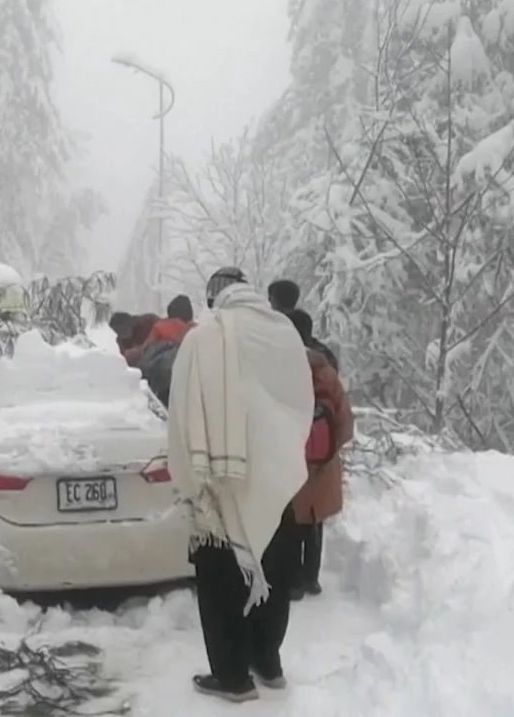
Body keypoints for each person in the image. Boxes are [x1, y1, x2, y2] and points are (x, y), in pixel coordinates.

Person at [167, 267, 314, 702]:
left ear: (214, 299)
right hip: (278, 478)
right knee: (274, 568)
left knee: (220, 582)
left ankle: (232, 676)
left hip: (221, 484)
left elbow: (182, 413)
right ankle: (268, 663)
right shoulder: (284, 333)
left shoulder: (203, 339)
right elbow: (299, 401)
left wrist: (190, 474)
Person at [285, 309, 354, 599]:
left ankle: (291, 581)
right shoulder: (326, 372)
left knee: (289, 523)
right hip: (323, 462)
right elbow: (346, 423)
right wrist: (328, 450)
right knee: (315, 521)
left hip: (289, 460)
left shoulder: (280, 369)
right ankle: (311, 578)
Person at [135, 295, 196, 407]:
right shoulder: (195, 330)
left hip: (159, 378)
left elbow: (146, 349)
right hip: (185, 378)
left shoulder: (160, 326)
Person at [268, 279, 339, 371]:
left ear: (275, 300)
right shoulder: (323, 353)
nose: (269, 300)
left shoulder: (276, 341)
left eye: (271, 297)